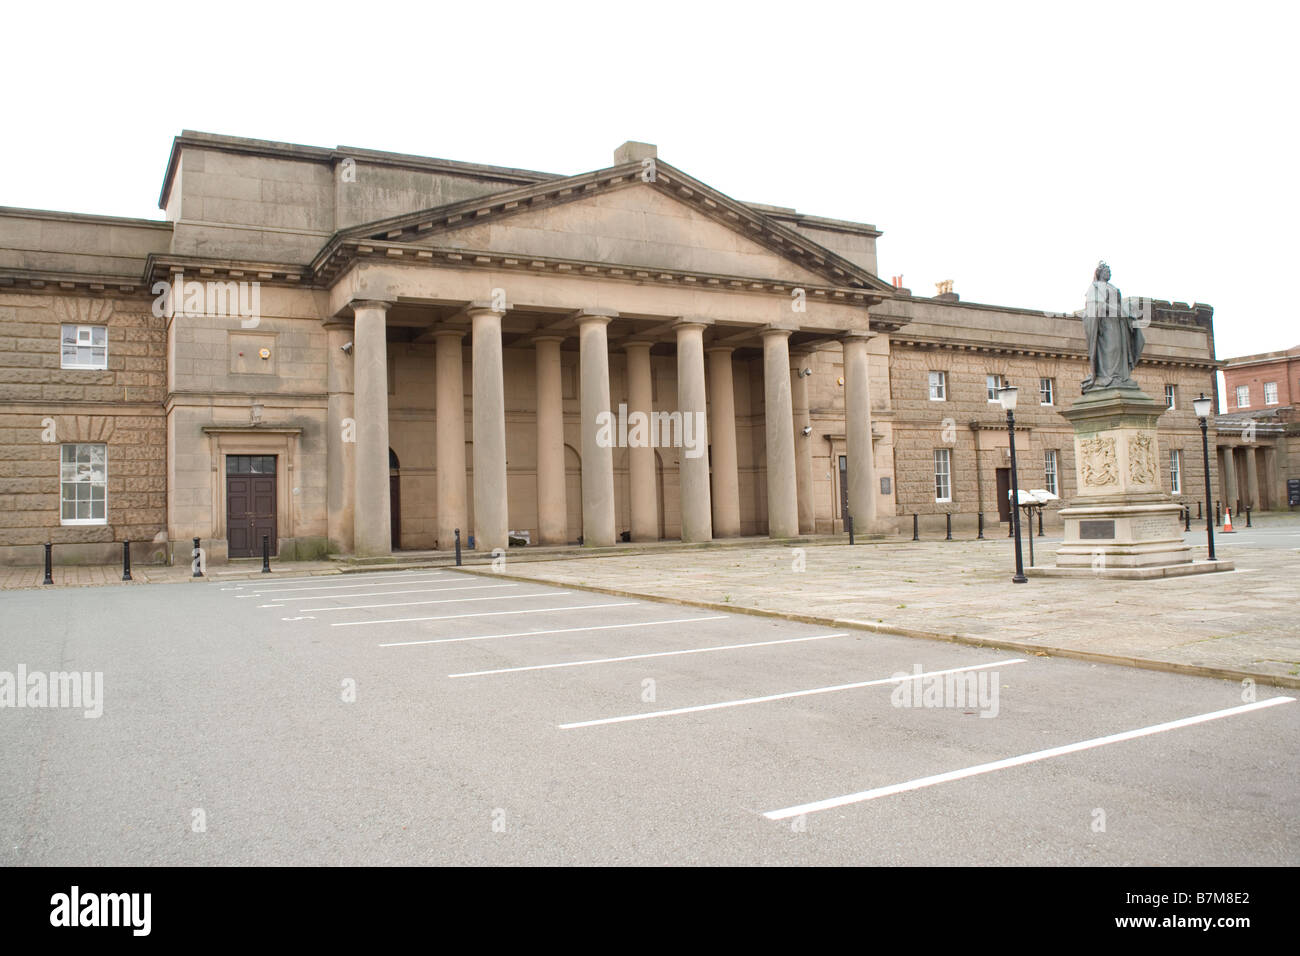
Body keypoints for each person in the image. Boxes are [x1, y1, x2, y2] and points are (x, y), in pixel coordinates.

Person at [1081, 261, 1145, 392]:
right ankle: (1108, 376)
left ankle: (1120, 376)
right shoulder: (1095, 287)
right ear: (1099, 273)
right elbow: (1094, 306)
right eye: (1106, 271)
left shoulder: (1113, 287)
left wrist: (1127, 312)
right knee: (1111, 348)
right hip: (1105, 324)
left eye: (1109, 271)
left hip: (1119, 324)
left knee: (1120, 350)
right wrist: (1114, 309)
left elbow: (1121, 305)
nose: (1109, 273)